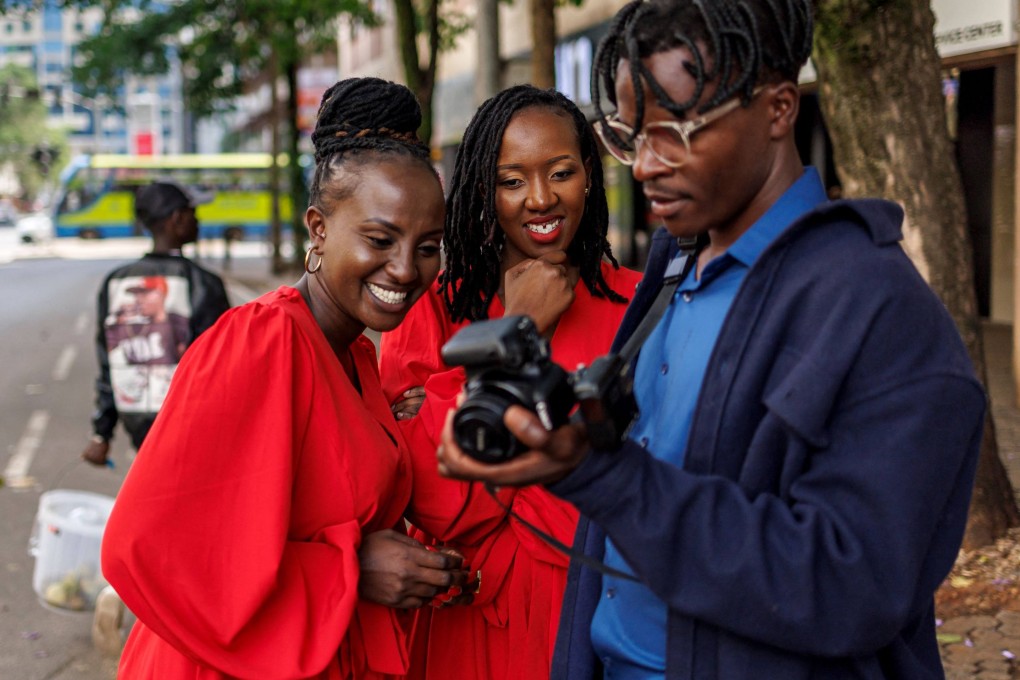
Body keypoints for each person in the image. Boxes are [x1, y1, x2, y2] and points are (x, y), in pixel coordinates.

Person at [436, 1, 987, 678]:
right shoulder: (673, 263)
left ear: (780, 109)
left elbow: (849, 584)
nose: (644, 166)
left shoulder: (881, 310)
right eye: (631, 135)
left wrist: (604, 476)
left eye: (676, 132)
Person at [101, 77, 472, 679]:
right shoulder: (260, 342)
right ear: (318, 229)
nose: (406, 270)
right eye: (380, 239)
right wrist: (352, 568)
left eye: (428, 246)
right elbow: (146, 549)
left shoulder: (355, 357)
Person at [378, 84, 642, 679]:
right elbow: (435, 500)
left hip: (601, 615)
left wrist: (454, 396)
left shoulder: (640, 305)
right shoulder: (437, 307)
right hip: (471, 626)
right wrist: (514, 328)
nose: (541, 200)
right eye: (512, 180)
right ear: (482, 190)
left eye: (561, 172)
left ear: (590, 177)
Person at [80, 180, 230, 467]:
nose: (198, 219)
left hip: (137, 424)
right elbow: (220, 364)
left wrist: (102, 433)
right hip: (191, 424)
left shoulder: (116, 282)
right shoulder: (203, 283)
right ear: (177, 219)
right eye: (192, 212)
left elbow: (108, 361)